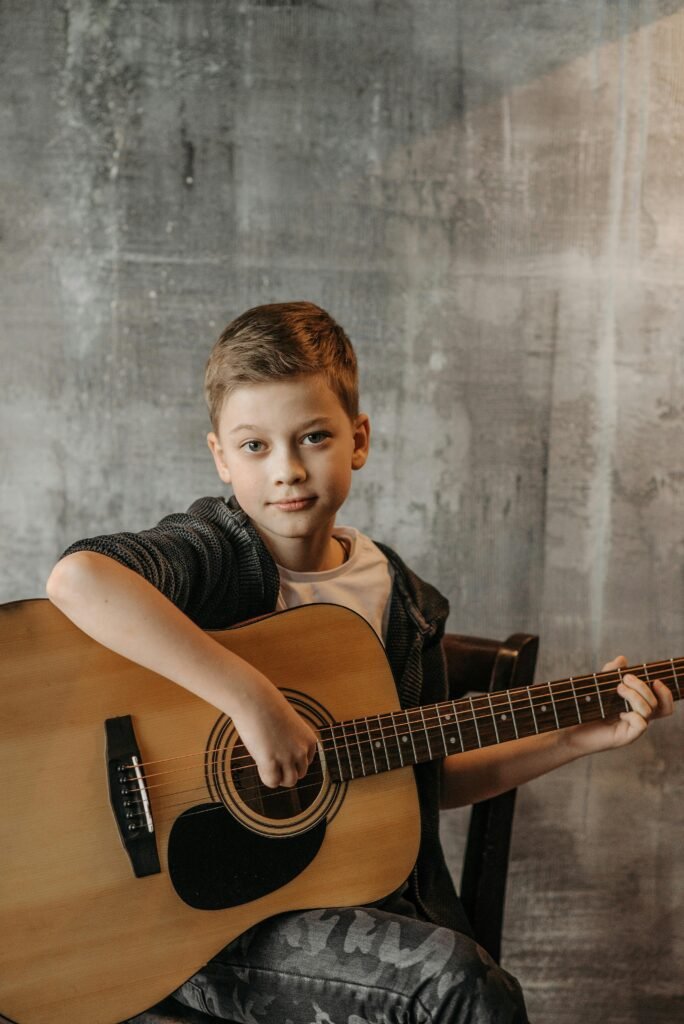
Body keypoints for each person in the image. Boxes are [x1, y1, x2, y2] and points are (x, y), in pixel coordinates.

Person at [46, 301, 673, 1024]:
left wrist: (578, 736)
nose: (286, 470)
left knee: (459, 980)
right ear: (220, 455)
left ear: (359, 439)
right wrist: (253, 702)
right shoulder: (215, 550)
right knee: (454, 986)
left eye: (313, 437)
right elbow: (79, 579)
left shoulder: (401, 601)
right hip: (187, 917)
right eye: (255, 447)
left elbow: (417, 776)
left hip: (328, 902)